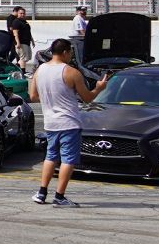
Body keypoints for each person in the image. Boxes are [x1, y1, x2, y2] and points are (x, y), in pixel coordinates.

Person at [30, 38, 108, 207]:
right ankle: (59, 196)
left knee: (50, 156)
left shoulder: (40, 70)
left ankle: (42, 193)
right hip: (69, 122)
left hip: (50, 122)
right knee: (67, 160)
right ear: (65, 52)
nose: (71, 55)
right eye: (70, 52)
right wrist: (100, 87)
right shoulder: (71, 72)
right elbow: (87, 98)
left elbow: (33, 96)